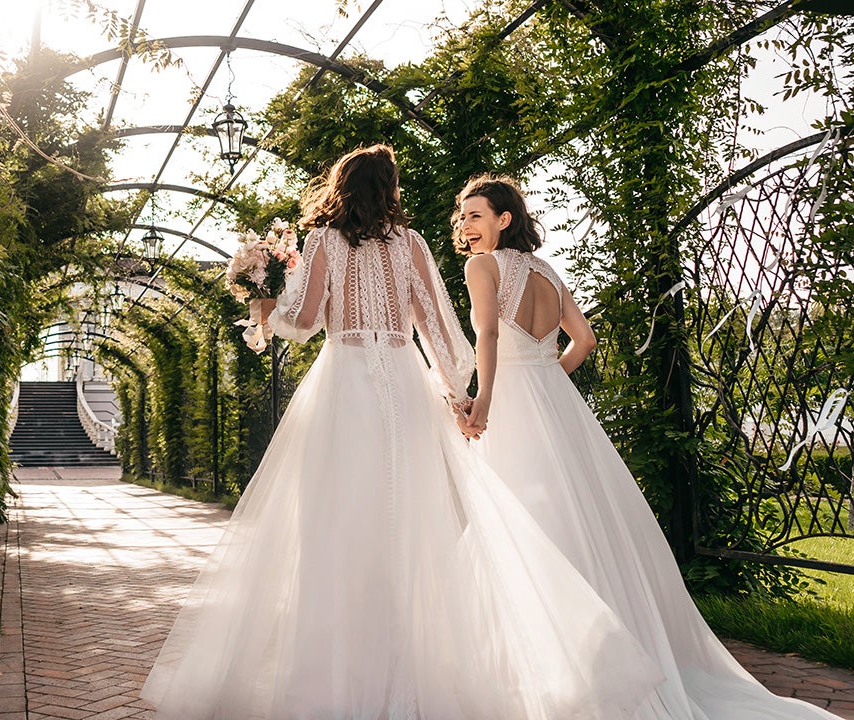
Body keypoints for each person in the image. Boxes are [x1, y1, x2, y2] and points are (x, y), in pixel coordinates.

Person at [141, 146, 663, 720]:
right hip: (404, 381)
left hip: (345, 382)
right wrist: (457, 395)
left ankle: (336, 678)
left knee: (333, 522)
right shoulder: (412, 244)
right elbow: (436, 326)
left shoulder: (323, 243)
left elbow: (307, 321)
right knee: (417, 520)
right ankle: (417, 668)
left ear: (340, 187)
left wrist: (269, 308)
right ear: (389, 190)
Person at [455, 172, 843, 720]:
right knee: (578, 522)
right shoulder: (547, 271)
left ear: (504, 219)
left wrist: (485, 402)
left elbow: (487, 338)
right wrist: (547, 377)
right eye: (463, 215)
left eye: (475, 214)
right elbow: (584, 341)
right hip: (558, 406)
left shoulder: (482, 266)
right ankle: (605, 650)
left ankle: (553, 666)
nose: (465, 225)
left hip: (514, 406)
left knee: (523, 526)